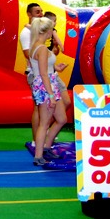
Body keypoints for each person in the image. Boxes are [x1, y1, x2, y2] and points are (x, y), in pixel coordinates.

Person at [29, 17, 68, 166]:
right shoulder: (42, 49)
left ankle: (46, 147)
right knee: (44, 123)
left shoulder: (36, 46)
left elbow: (41, 69)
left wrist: (56, 68)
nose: (53, 32)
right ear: (48, 31)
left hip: (47, 82)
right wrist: (51, 95)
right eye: (52, 29)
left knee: (61, 118)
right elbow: (43, 73)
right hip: (46, 85)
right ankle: (38, 156)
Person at [19, 2, 43, 145]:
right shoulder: (27, 33)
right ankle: (36, 139)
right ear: (29, 14)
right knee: (38, 106)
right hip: (36, 73)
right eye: (36, 12)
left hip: (46, 72)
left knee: (61, 103)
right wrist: (45, 55)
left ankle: (43, 131)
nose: (40, 14)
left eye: (41, 12)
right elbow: (28, 54)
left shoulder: (40, 32)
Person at [43, 10, 70, 108]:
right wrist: (62, 47)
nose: (56, 23)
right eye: (54, 21)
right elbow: (57, 38)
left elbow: (55, 47)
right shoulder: (48, 31)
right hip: (48, 71)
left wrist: (57, 47)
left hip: (51, 68)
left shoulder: (52, 31)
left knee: (65, 102)